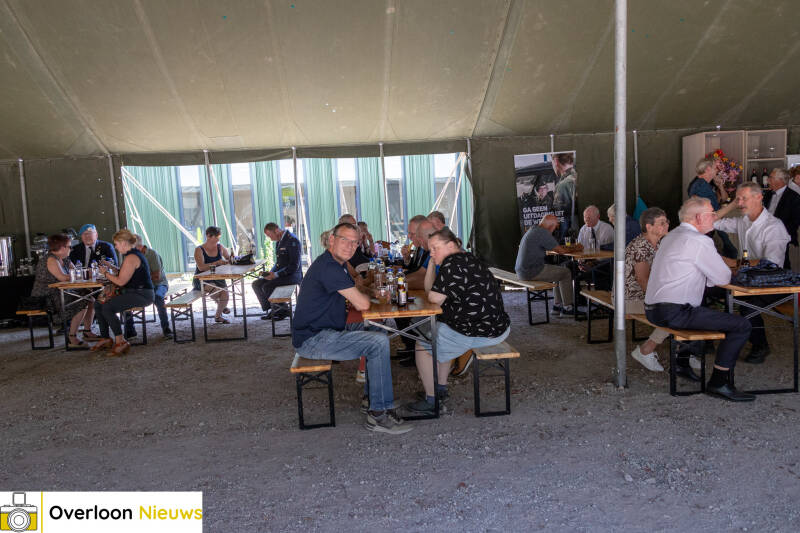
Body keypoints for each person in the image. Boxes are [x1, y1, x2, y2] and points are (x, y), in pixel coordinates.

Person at [291, 222, 411, 434]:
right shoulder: (329, 267)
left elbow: (358, 290)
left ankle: (372, 398)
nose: (349, 246)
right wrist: (370, 297)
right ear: (331, 240)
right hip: (313, 339)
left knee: (377, 328)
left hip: (327, 329)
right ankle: (378, 415)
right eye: (344, 240)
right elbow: (362, 304)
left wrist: (373, 294)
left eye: (354, 242)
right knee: (378, 342)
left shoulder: (335, 264)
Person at [645, 197, 754, 402]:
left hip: (653, 310)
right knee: (741, 325)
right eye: (711, 213)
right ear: (698, 217)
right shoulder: (699, 240)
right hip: (674, 312)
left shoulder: (672, 235)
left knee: (701, 303)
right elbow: (722, 278)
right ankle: (719, 382)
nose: (715, 217)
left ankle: (683, 362)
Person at [406, 228, 511, 415]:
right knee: (440, 328)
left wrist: (433, 268)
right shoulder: (465, 259)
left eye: (435, 248)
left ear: (451, 245)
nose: (432, 252)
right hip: (495, 325)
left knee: (422, 344)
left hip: (481, 330)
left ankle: (433, 402)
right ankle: (440, 389)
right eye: (430, 249)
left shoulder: (454, 263)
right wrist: (431, 264)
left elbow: (434, 298)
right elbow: (433, 290)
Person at [714, 181, 791, 363]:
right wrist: (732, 203)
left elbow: (771, 263)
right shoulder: (743, 221)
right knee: (716, 291)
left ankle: (760, 345)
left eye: (744, 198)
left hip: (773, 281)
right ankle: (713, 340)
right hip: (748, 278)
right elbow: (713, 221)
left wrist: (735, 262)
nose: (740, 203)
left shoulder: (773, 226)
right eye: (738, 199)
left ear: (759, 197)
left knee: (747, 304)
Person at [91, 229, 155, 356]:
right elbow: (125, 273)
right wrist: (111, 267)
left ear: (123, 243)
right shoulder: (132, 255)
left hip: (142, 295)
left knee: (107, 308)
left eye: (116, 244)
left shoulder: (131, 257)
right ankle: (105, 338)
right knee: (98, 304)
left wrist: (105, 273)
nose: (115, 247)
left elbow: (120, 282)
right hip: (136, 292)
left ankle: (121, 341)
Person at [623, 208, 671, 371]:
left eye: (667, 222)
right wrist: (659, 301)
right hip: (630, 299)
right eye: (662, 223)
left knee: (683, 305)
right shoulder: (641, 246)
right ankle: (646, 350)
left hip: (642, 295)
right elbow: (642, 280)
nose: (667, 225)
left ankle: (686, 353)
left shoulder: (658, 243)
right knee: (673, 311)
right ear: (649, 227)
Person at [31, 234, 91, 348]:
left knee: (89, 297)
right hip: (46, 298)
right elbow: (62, 277)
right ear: (62, 248)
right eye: (69, 246)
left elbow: (76, 271)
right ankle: (72, 337)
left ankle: (87, 331)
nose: (71, 249)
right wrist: (81, 274)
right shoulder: (51, 259)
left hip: (59, 292)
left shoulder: (64, 259)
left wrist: (81, 273)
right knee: (82, 301)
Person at [515, 214, 576, 316]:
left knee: (558, 271)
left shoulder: (534, 229)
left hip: (522, 270)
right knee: (566, 272)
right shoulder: (543, 233)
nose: (555, 229)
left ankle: (557, 306)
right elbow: (560, 250)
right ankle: (568, 308)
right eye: (555, 227)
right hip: (531, 271)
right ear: (550, 226)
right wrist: (575, 248)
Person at [394, 215, 430, 365]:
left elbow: (421, 275)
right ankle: (410, 347)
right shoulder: (419, 249)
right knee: (399, 306)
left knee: (402, 309)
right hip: (421, 290)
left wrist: (399, 281)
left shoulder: (428, 249)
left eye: (412, 234)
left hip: (428, 295)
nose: (409, 237)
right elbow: (413, 269)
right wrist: (407, 259)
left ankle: (415, 351)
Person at [123, 235, 172, 339]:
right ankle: (130, 331)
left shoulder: (152, 254)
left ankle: (166, 328)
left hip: (159, 284)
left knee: (158, 297)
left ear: (140, 247)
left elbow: (157, 276)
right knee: (125, 297)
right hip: (142, 286)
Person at [687, 158, 737, 258]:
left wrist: (720, 186)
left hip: (712, 225)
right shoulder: (701, 186)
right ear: (708, 169)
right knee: (730, 252)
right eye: (715, 168)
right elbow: (711, 213)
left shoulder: (704, 184)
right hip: (709, 227)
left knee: (730, 251)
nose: (717, 170)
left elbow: (723, 199)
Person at [252, 222, 302, 321]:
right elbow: (279, 262)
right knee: (256, 284)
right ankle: (274, 309)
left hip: (292, 275)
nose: (270, 239)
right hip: (282, 274)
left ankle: (283, 310)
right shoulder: (280, 240)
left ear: (276, 231)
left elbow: (293, 266)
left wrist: (275, 275)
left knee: (267, 286)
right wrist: (270, 273)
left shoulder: (292, 241)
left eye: (270, 235)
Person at [762, 168, 800, 269]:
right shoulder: (768, 195)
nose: (768, 180)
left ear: (780, 181)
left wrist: (778, 233)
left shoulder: (794, 197)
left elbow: (795, 222)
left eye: (770, 178)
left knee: (782, 265)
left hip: (783, 237)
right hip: (764, 234)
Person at [193, 226, 231, 324]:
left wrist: (230, 259)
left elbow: (229, 258)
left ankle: (218, 315)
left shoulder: (220, 247)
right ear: (208, 236)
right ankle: (221, 308)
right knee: (218, 292)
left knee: (225, 294)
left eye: (219, 237)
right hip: (202, 279)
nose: (218, 240)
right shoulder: (199, 249)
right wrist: (217, 263)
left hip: (218, 277)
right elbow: (201, 267)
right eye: (216, 237)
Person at [553, 152, 578, 236]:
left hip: (568, 234)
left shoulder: (562, 185)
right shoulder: (578, 176)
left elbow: (559, 214)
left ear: (556, 161)